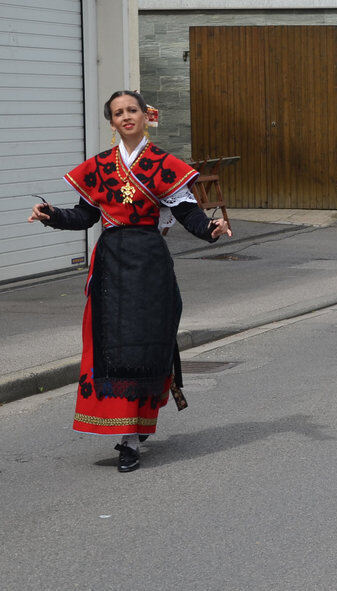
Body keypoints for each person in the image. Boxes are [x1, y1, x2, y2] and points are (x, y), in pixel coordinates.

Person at [28, 90, 231, 473]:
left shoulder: (162, 164)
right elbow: (85, 215)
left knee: (146, 344)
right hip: (111, 262)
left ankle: (135, 430)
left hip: (150, 261)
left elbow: (188, 212)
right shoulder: (101, 166)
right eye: (118, 112)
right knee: (113, 346)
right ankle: (126, 433)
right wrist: (51, 214)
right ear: (112, 122)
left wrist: (211, 229)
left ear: (144, 115)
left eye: (132, 110)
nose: (126, 116)